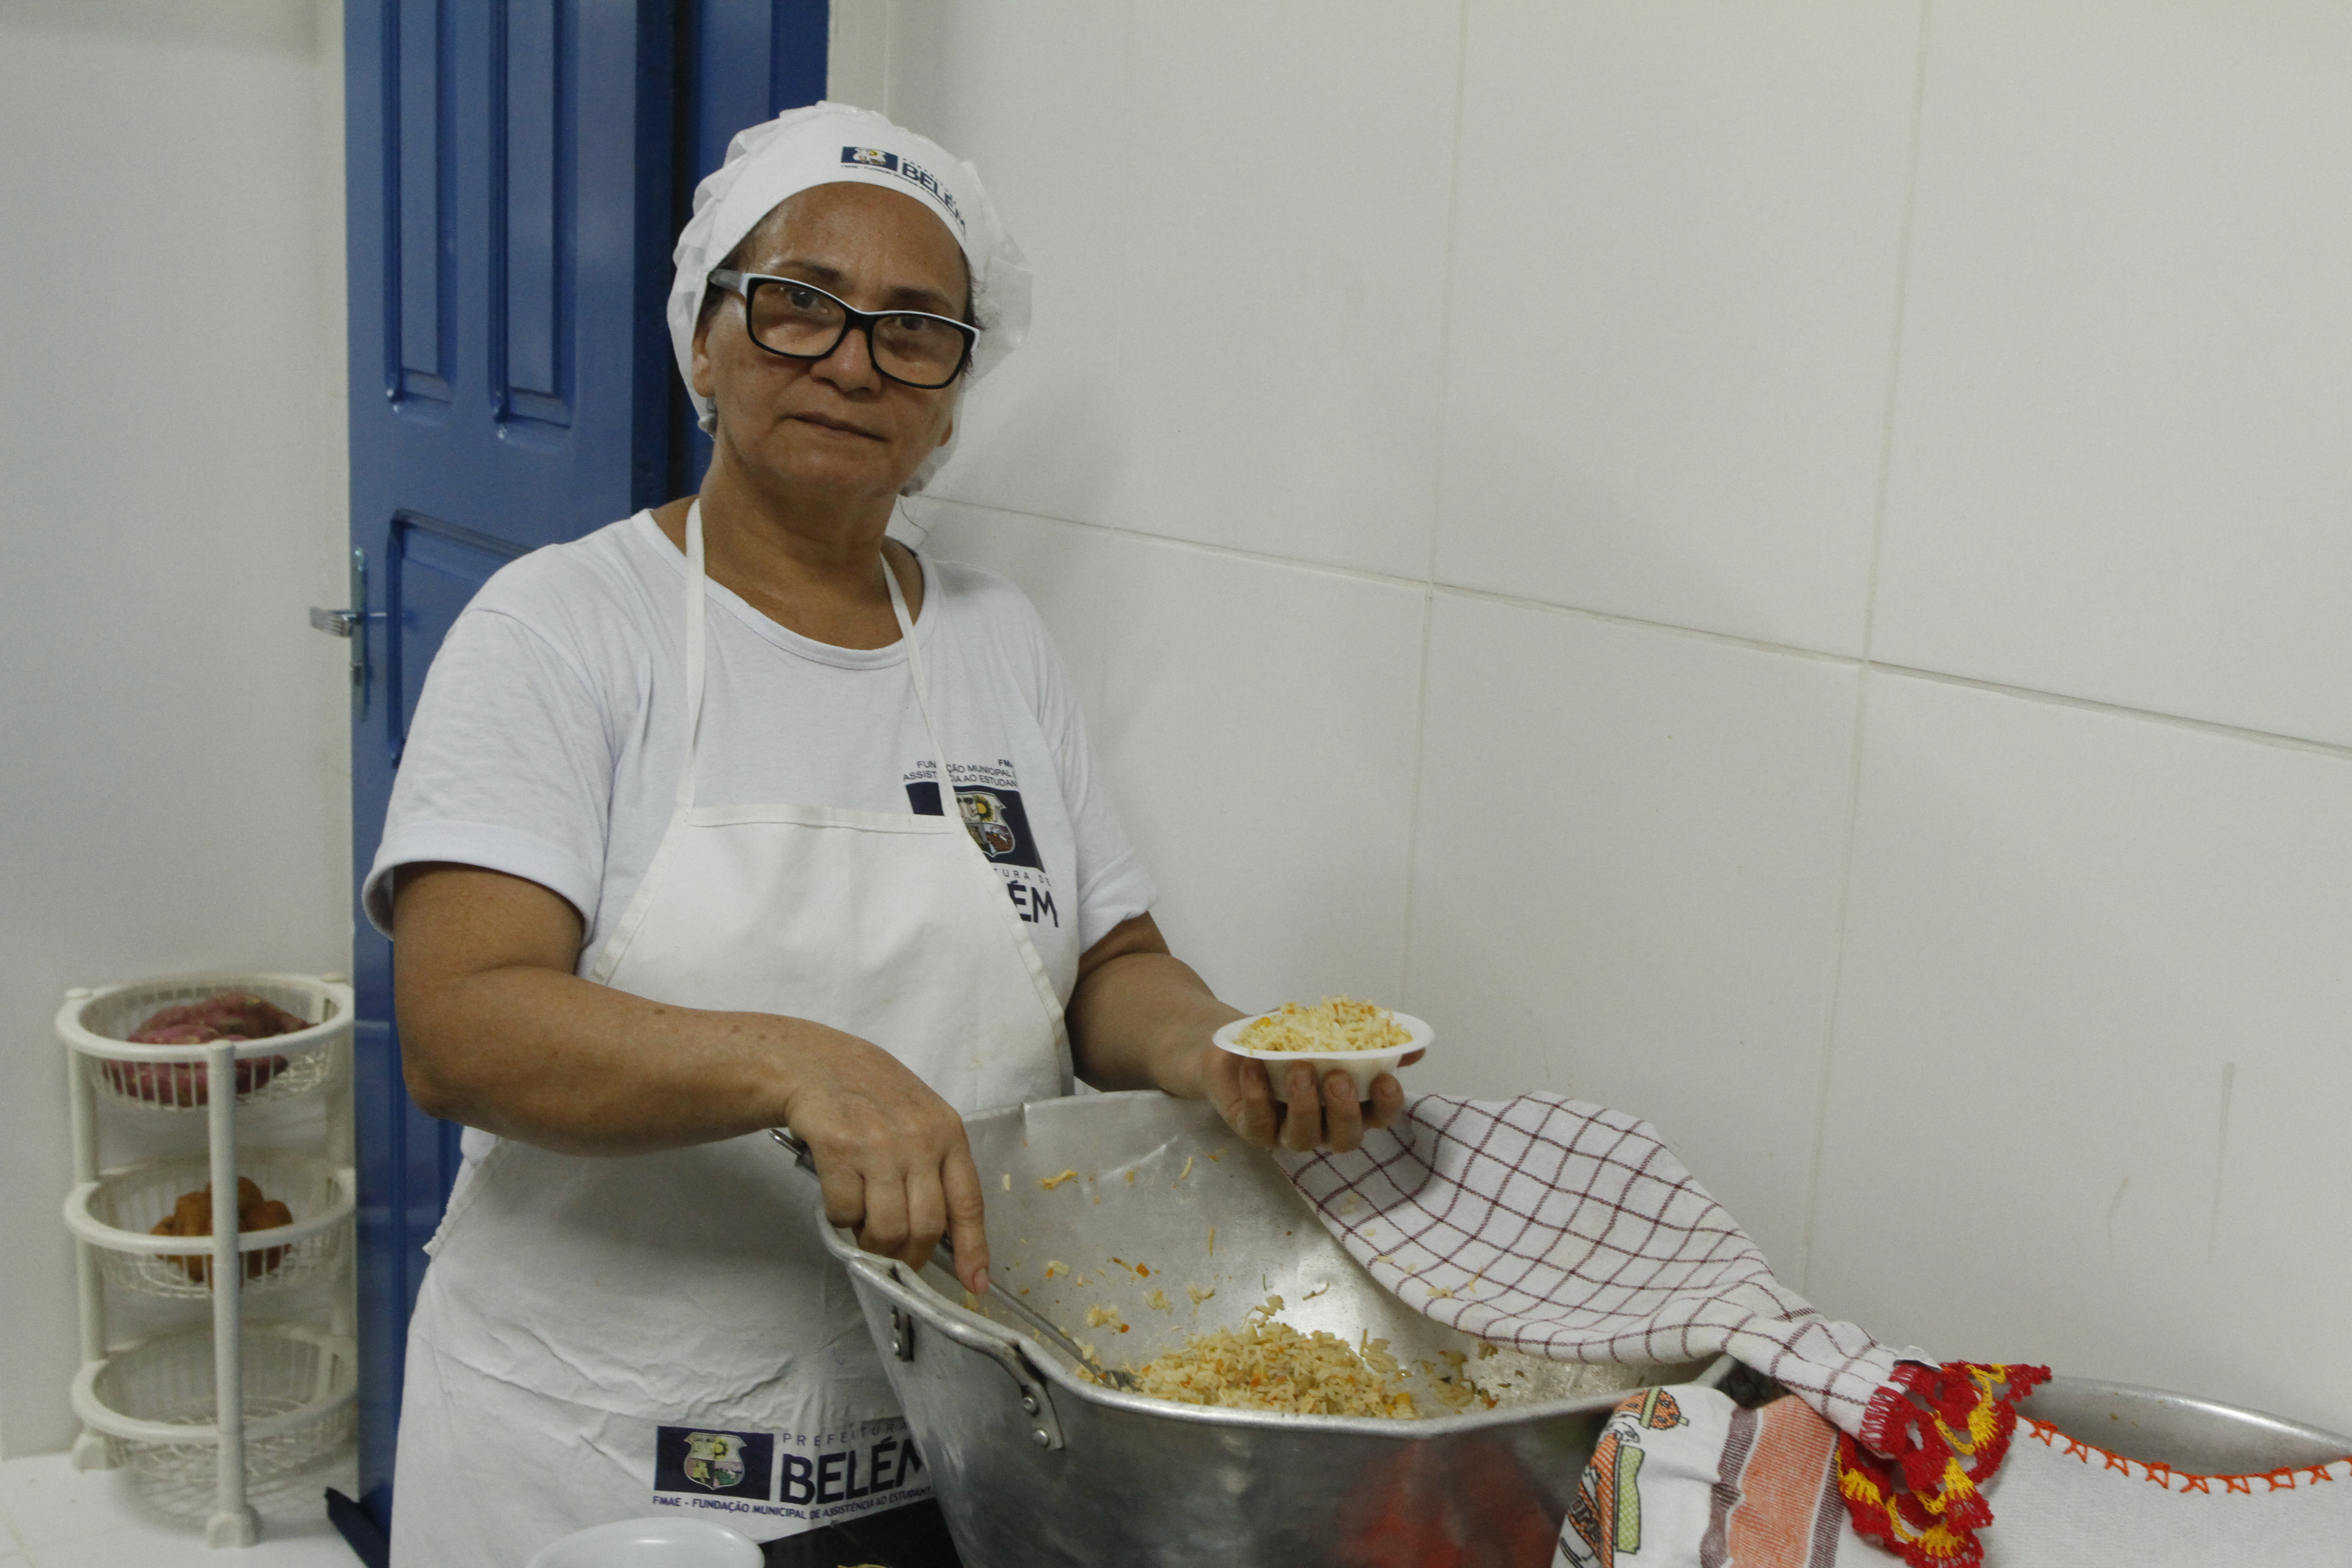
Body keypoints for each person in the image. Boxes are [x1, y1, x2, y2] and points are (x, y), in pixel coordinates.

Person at [365, 104, 1418, 1568]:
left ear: (950, 401)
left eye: (916, 329)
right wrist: (806, 1067)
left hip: (941, 1436)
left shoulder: (996, 640)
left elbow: (1106, 963)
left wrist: (1219, 1051)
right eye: (800, 305)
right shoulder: (562, 629)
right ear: (705, 344)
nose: (855, 361)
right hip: (600, 1453)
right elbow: (462, 1025)